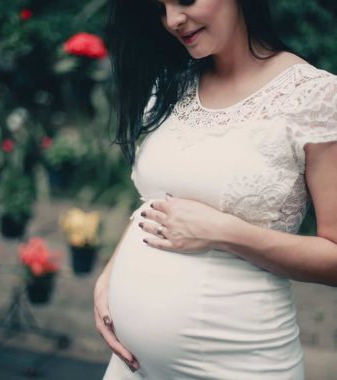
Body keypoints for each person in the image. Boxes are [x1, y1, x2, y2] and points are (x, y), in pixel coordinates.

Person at [94, 0, 337, 378]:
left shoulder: (315, 96)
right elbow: (155, 201)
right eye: (160, 8)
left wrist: (224, 232)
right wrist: (109, 276)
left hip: (237, 363)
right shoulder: (173, 84)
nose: (173, 20)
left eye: (186, 0)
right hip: (132, 367)